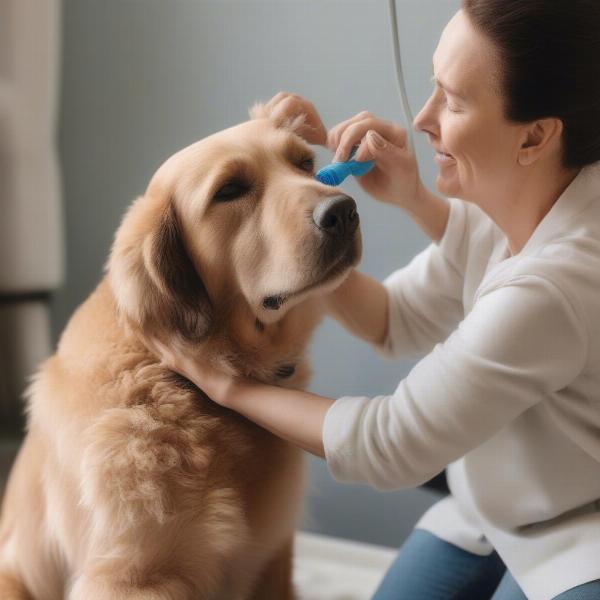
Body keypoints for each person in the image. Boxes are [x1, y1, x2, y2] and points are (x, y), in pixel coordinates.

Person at [154, 1, 600, 598]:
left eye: (454, 101)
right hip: (487, 508)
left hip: (576, 529)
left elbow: (389, 443)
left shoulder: (556, 285)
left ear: (537, 136)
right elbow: (394, 321)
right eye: (432, 86)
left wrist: (228, 388)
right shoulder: (530, 197)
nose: (422, 119)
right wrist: (331, 222)